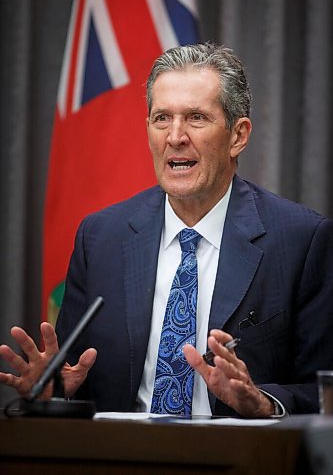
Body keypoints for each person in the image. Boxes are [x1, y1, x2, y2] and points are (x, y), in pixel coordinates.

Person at [1, 43, 333, 417]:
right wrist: (53, 394)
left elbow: (322, 392)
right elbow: (75, 377)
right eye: (162, 118)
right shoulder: (101, 237)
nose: (175, 136)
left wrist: (263, 402)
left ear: (238, 136)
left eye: (195, 118)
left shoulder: (302, 239)